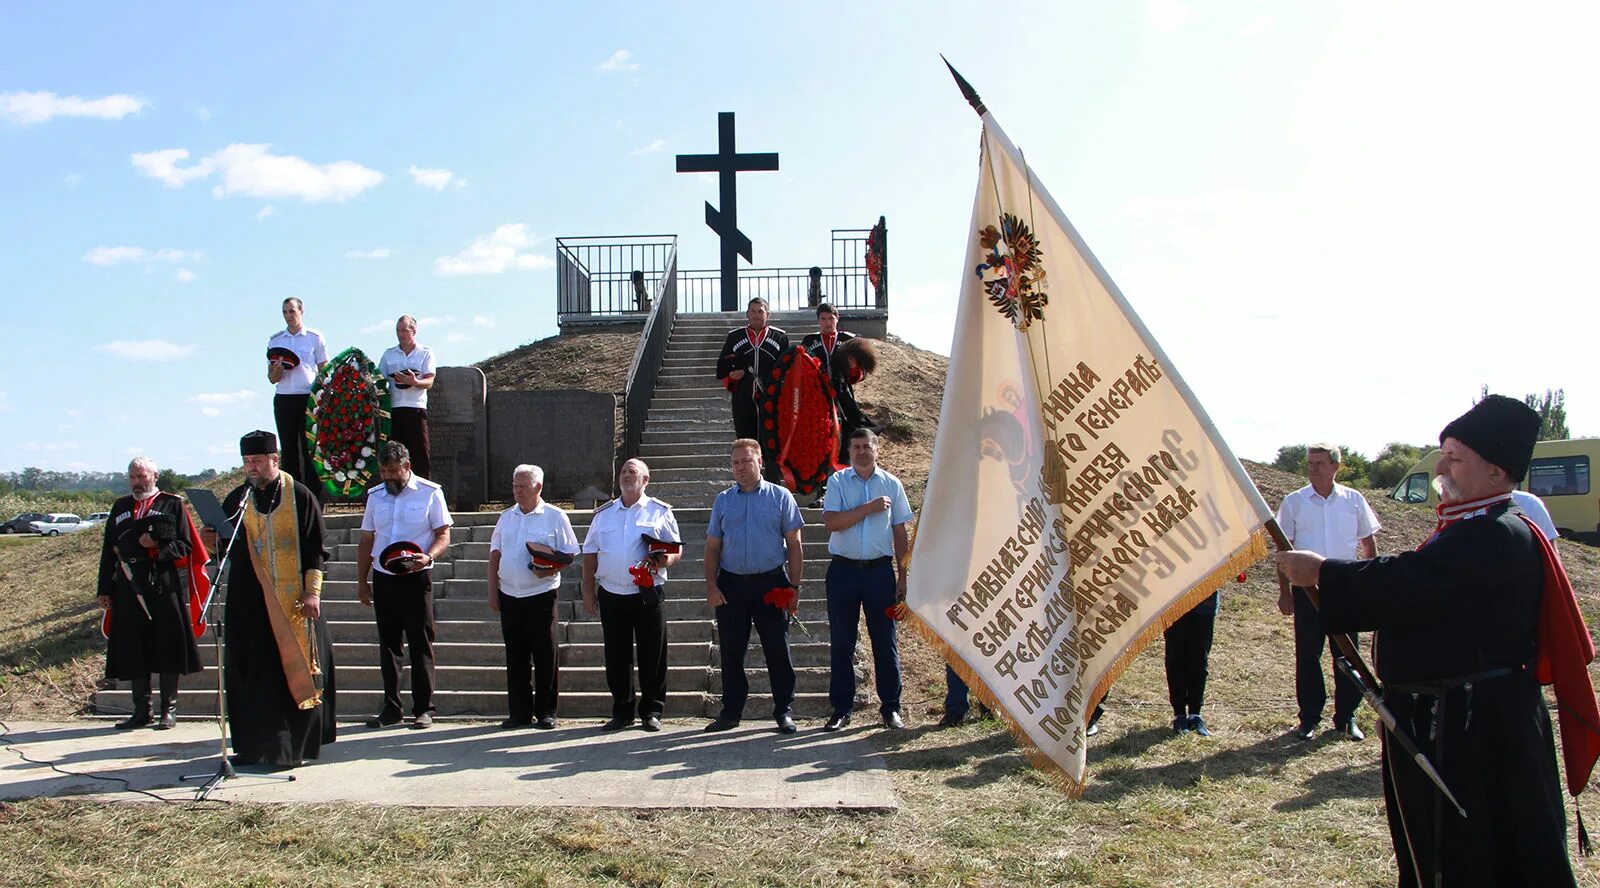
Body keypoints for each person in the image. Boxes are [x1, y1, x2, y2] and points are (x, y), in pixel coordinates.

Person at [1276, 395, 1594, 887]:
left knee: (1480, 855)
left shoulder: (1495, 533)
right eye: (1443, 453)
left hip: (1475, 729)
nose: (1442, 466)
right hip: (1460, 721)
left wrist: (1323, 572)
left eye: (1455, 457)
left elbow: (1412, 582)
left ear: (1495, 472)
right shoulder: (1472, 527)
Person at [212, 430, 336, 769]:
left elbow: (316, 548)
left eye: (257, 461)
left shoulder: (300, 496)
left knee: (290, 674)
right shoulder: (238, 499)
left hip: (293, 601)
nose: (251, 468)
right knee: (253, 674)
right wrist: (214, 540)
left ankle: (289, 749)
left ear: (274, 459)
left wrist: (313, 592)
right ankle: (253, 746)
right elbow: (228, 547)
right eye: (247, 462)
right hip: (248, 602)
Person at [1275, 443, 1380, 741]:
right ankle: (1309, 717)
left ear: (1336, 466)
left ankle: (1347, 718)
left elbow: (1368, 544)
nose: (1314, 469)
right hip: (1307, 590)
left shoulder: (1353, 500)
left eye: (1320, 463)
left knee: (1346, 655)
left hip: (1344, 588)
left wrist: (1370, 583)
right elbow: (1283, 550)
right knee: (1308, 655)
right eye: (1310, 463)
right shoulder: (1294, 502)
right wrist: (1285, 592)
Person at [703, 439, 804, 733]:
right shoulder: (723, 500)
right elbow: (712, 547)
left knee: (777, 650)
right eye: (735, 463)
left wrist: (794, 587)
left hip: (770, 582)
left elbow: (795, 545)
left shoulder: (780, 496)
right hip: (732, 585)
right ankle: (731, 711)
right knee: (732, 651)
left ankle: (784, 710)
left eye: (746, 462)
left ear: (759, 462)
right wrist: (711, 584)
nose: (740, 468)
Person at [96, 456, 204, 730]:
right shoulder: (121, 507)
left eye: (142, 476)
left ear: (155, 476)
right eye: (132, 477)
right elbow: (109, 549)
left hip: (162, 583)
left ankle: (169, 709)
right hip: (128, 584)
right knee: (134, 646)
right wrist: (105, 589)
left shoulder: (172, 504)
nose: (137, 482)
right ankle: (141, 711)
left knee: (167, 645)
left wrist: (156, 547)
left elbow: (185, 545)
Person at [581, 458, 682, 732]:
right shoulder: (604, 513)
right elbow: (590, 554)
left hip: (647, 592)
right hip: (612, 593)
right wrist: (588, 591)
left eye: (632, 472)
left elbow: (675, 549)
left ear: (645, 480)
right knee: (616, 655)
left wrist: (663, 562)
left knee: (653, 654)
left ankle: (651, 711)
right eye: (623, 471)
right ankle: (622, 711)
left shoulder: (659, 511)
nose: (626, 475)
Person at [356, 441, 452, 729]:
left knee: (420, 643)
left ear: (407, 466)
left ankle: (423, 708)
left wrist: (428, 556)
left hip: (416, 577)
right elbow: (367, 539)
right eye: (383, 470)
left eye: (392, 470)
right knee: (389, 645)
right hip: (384, 578)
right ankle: (392, 708)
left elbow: (443, 534)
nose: (387, 476)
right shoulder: (375, 496)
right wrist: (362, 580)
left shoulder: (430, 493)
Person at [820, 429, 910, 731]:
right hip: (843, 571)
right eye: (855, 447)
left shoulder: (892, 484)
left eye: (866, 446)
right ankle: (842, 709)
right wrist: (868, 509)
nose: (861, 452)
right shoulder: (837, 482)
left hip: (879, 572)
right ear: (849, 451)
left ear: (877, 449)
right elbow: (832, 522)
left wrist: (904, 573)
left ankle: (891, 707)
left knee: (885, 641)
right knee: (842, 641)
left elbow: (900, 530)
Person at [487, 464, 577, 730]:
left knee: (545, 655)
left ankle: (546, 712)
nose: (517, 491)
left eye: (523, 486)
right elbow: (495, 555)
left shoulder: (555, 516)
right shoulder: (506, 517)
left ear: (538, 487)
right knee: (516, 657)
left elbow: (569, 554)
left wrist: (551, 567)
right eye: (515, 485)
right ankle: (519, 713)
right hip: (509, 595)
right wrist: (493, 591)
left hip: (541, 595)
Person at [266, 297, 329, 492]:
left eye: (292, 311)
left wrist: (323, 395)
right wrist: (277, 369)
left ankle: (314, 495)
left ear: (301, 311)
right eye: (285, 312)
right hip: (285, 397)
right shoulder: (276, 340)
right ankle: (292, 494)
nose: (288, 316)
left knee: (310, 447)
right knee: (289, 448)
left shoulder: (314, 337)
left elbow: (324, 369)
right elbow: (272, 378)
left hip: (308, 397)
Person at [801, 303, 875, 464]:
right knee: (820, 434)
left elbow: (862, 373)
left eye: (831, 318)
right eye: (823, 319)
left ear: (837, 318)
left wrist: (854, 367)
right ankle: (820, 478)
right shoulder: (809, 340)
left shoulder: (849, 340)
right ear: (818, 320)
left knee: (847, 430)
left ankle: (845, 466)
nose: (827, 323)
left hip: (843, 393)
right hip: (818, 396)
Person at [715, 297, 789, 442]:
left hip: (770, 397)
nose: (756, 315)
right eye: (753, 311)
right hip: (742, 397)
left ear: (768, 314)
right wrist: (733, 374)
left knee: (770, 441)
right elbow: (721, 367)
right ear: (747, 314)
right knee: (745, 440)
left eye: (760, 311)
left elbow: (786, 370)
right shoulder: (734, 337)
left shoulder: (780, 337)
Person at [378, 315, 436, 480]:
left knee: (420, 454)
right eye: (398, 330)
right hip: (394, 409)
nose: (400, 334)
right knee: (394, 454)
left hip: (415, 408)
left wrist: (415, 381)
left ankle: (423, 492)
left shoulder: (425, 352)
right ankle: (395, 487)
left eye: (404, 330)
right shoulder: (389, 354)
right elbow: (379, 380)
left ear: (414, 331)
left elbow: (430, 381)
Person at [1163, 594, 1218, 736]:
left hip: (1205, 604)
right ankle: (1179, 715)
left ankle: (1195, 715)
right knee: (1175, 658)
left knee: (1199, 659)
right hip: (1173, 601)